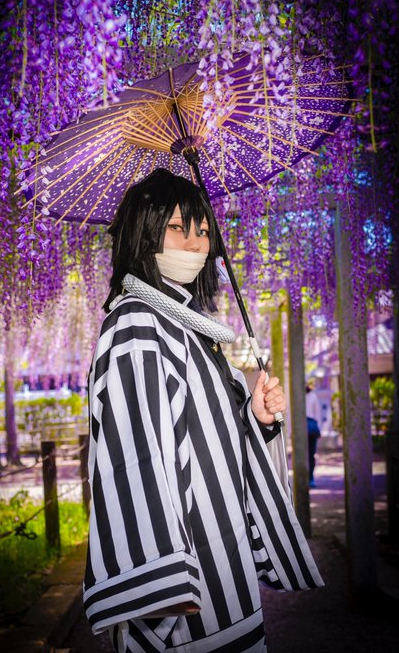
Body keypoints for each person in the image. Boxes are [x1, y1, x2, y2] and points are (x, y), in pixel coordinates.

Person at [84, 169, 323, 653]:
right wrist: (162, 580)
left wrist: (257, 418)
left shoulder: (191, 328)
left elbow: (210, 435)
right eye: (177, 228)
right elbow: (136, 456)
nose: (195, 244)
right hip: (185, 573)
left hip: (224, 550)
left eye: (204, 231)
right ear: (143, 232)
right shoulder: (136, 325)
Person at [306, 383, 322, 488]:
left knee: (311, 454)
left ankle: (311, 478)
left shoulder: (313, 396)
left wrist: (318, 429)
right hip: (300, 427)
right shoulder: (295, 395)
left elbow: (318, 414)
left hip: (311, 428)